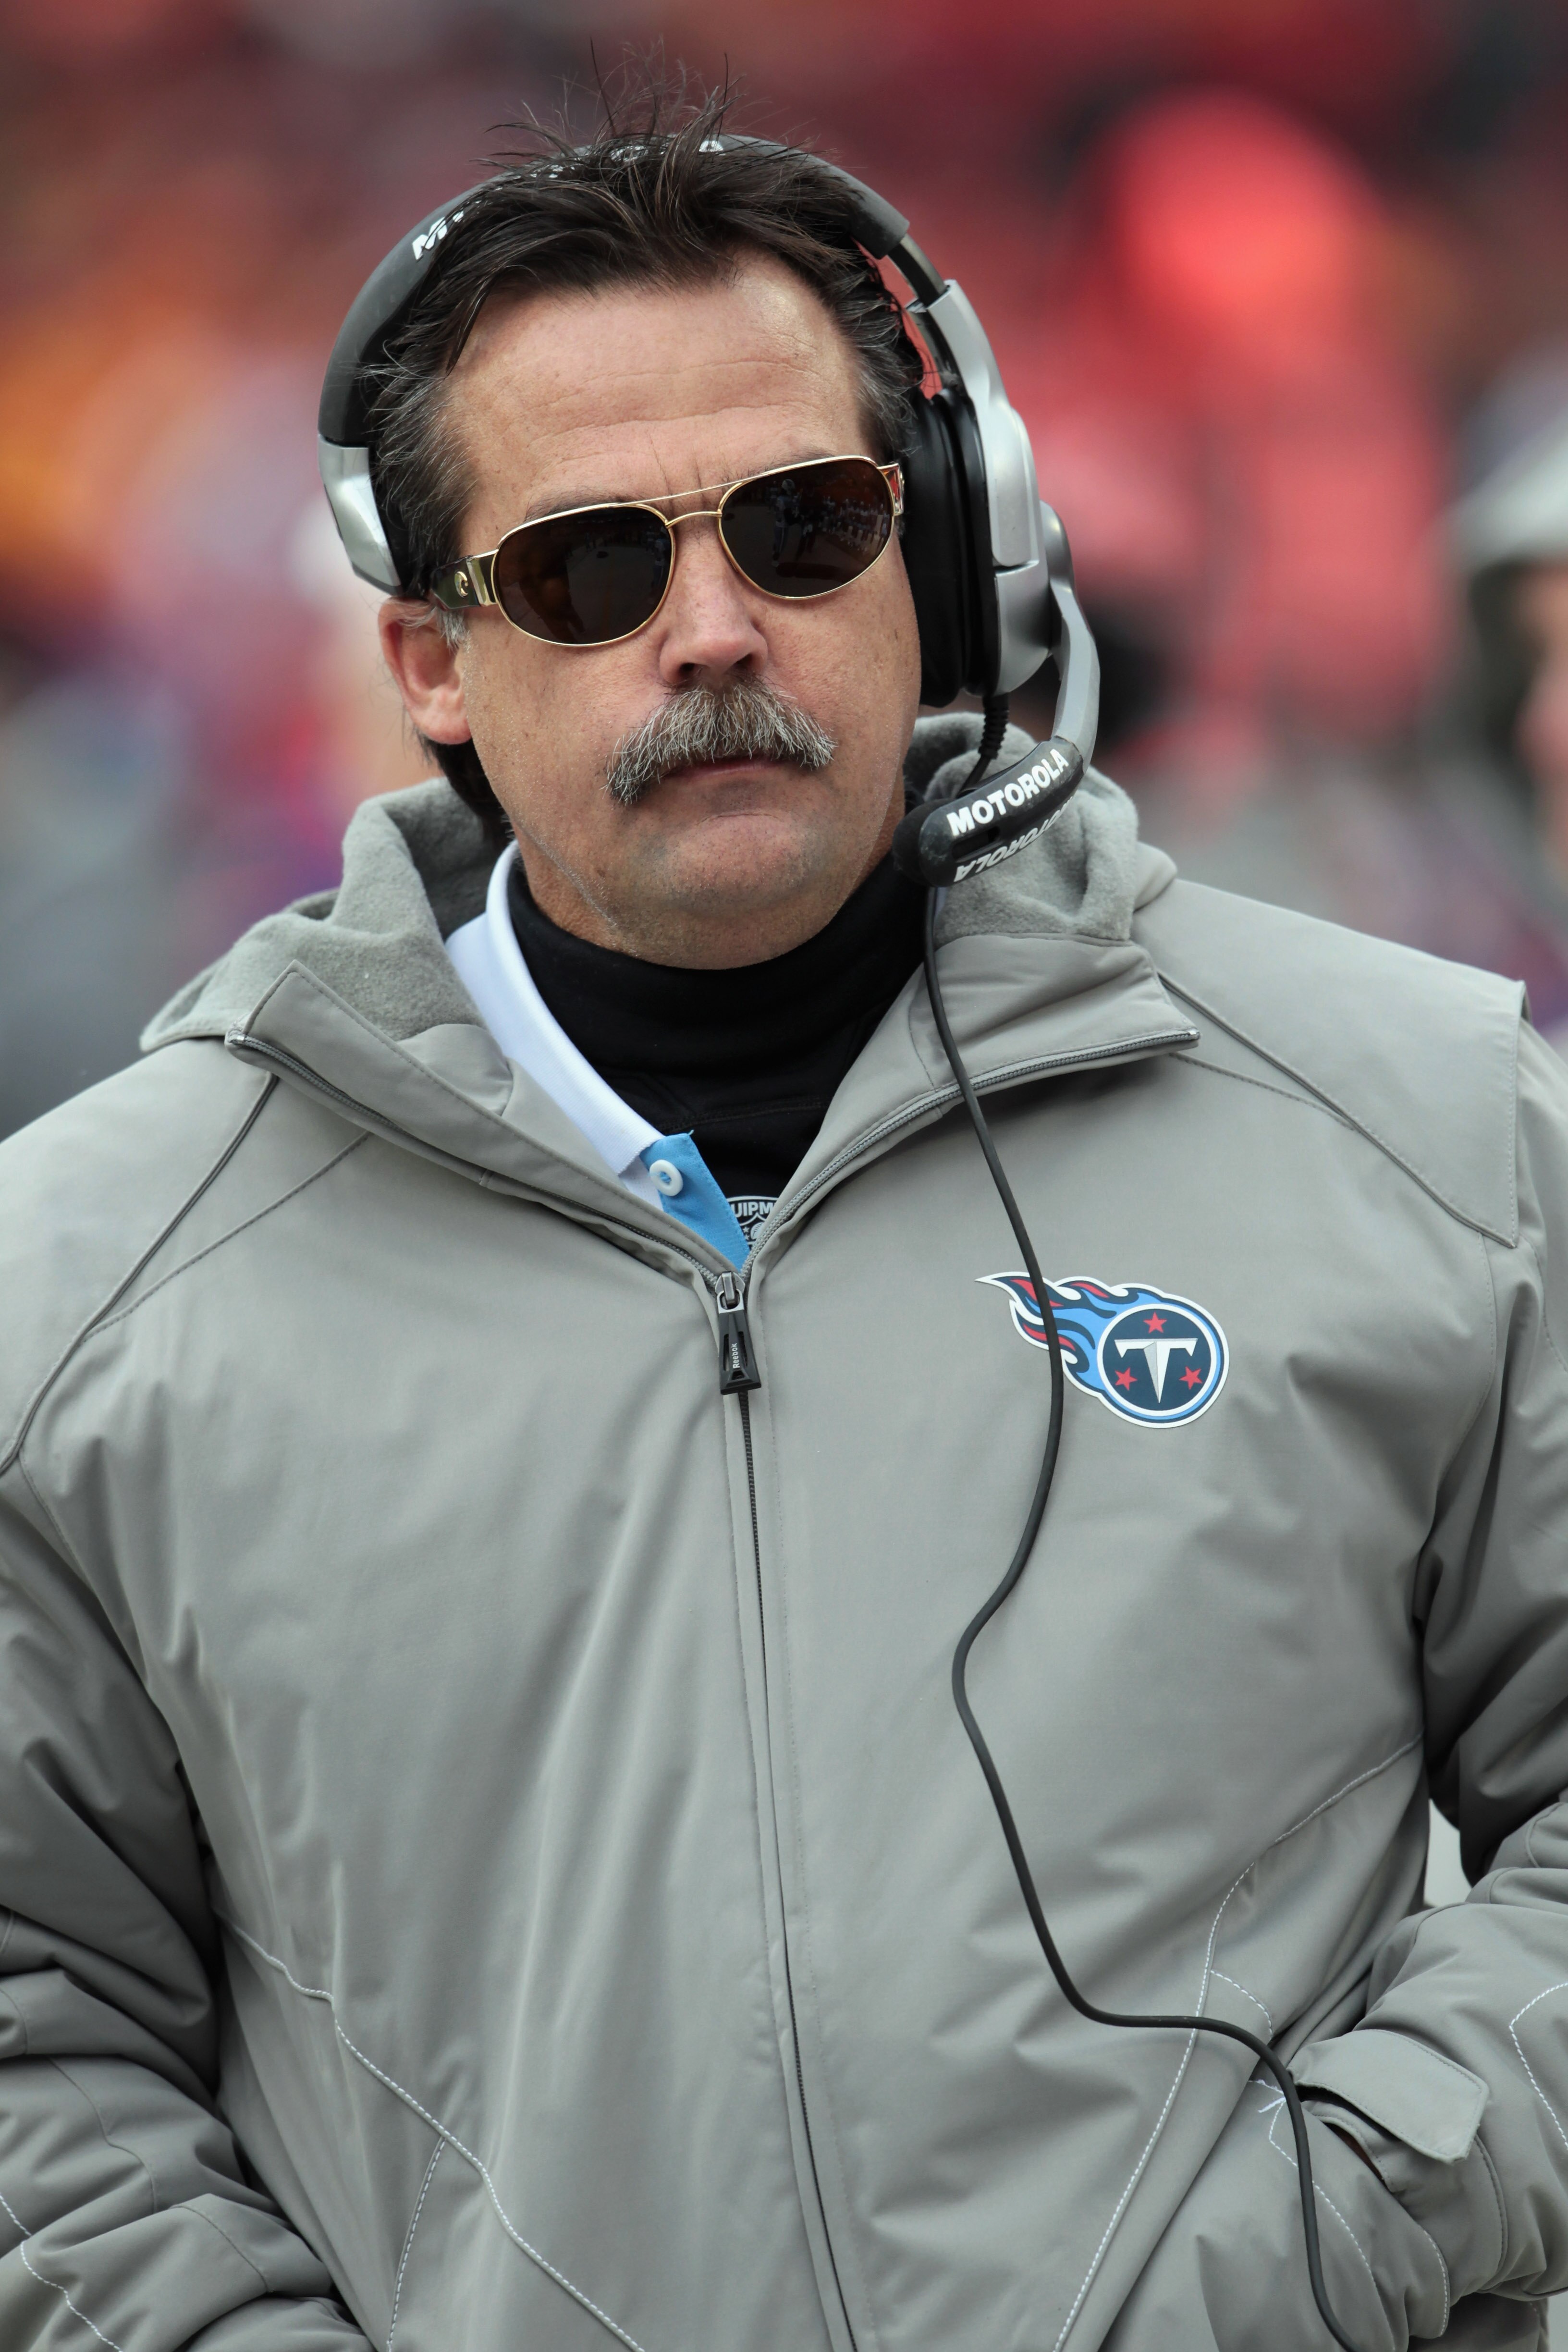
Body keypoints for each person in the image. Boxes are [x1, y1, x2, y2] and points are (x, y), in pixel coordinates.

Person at [3, 90, 1568, 2352]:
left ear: (942, 553)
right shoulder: (87, 1271)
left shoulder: (1421, 1116)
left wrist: (1334, 2242)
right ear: (432, 661)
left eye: (809, 526)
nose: (717, 628)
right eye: (589, 568)